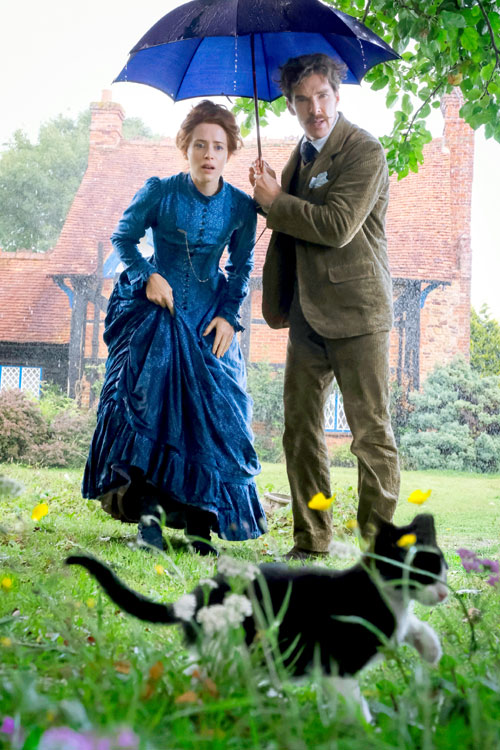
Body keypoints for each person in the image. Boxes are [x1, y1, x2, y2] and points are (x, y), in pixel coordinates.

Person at [83, 100, 266, 555]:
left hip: (209, 319)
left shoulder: (242, 207)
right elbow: (123, 238)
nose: (209, 154)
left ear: (229, 153)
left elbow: (241, 268)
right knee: (153, 407)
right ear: (185, 147)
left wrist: (229, 316)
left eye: (218, 146)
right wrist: (148, 275)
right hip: (158, 313)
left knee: (218, 416)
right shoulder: (160, 192)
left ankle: (200, 527)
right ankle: (149, 524)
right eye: (200, 144)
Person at [250, 54, 399, 559]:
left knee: (370, 435)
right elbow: (290, 227)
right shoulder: (298, 156)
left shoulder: (365, 151)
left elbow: (336, 226)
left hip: (358, 313)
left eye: (322, 96)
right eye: (302, 100)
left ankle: (378, 551)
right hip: (307, 314)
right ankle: (311, 541)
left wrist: (277, 201)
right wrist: (266, 193)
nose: (314, 108)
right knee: (300, 430)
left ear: (337, 95)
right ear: (290, 105)